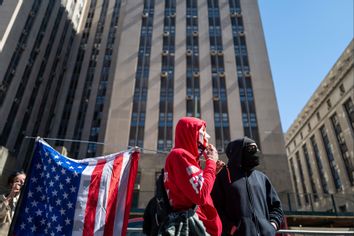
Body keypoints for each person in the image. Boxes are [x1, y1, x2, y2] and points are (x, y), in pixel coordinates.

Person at [161, 117, 223, 236]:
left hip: (200, 227)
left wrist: (211, 172)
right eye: (202, 133)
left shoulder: (186, 158)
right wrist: (211, 161)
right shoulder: (179, 155)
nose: (206, 138)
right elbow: (200, 195)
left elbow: (194, 189)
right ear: (190, 133)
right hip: (193, 228)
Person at [211, 137, 283, 236]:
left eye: (257, 148)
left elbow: (276, 206)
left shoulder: (262, 177)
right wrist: (231, 228)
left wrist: (272, 225)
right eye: (252, 149)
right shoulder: (222, 176)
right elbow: (215, 207)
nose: (257, 152)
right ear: (239, 151)